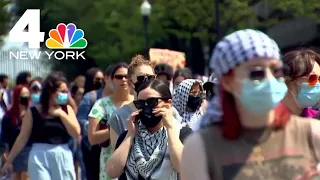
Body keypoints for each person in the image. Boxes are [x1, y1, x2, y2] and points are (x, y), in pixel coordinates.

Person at [181, 29, 320, 180]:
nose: (269, 79)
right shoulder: (200, 149)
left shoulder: (312, 134)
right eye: (257, 73)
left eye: (276, 70)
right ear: (227, 81)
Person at [106, 79, 192, 180]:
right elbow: (112, 171)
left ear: (168, 104)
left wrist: (170, 128)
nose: (146, 107)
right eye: (141, 104)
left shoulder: (182, 133)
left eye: (152, 102)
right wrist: (130, 135)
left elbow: (182, 167)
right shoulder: (129, 136)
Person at [1, 72, 81, 180]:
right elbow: (22, 137)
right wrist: (9, 160)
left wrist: (61, 114)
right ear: (51, 92)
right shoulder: (34, 111)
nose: (66, 94)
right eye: (62, 91)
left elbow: (76, 132)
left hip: (62, 154)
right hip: (39, 155)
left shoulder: (67, 110)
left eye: (67, 91)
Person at [108, 55, 182, 152]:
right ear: (130, 83)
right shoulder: (119, 116)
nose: (146, 81)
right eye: (141, 78)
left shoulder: (169, 110)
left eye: (151, 77)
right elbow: (117, 154)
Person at [88, 63, 133, 180]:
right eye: (119, 77)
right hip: (110, 165)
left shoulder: (139, 102)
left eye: (127, 76)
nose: (124, 79)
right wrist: (116, 128)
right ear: (111, 80)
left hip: (136, 162)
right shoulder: (101, 104)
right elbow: (92, 138)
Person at [77, 64, 115, 180]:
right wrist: (96, 127)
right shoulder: (91, 97)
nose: (122, 81)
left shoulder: (126, 100)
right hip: (94, 149)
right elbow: (80, 120)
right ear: (107, 78)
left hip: (114, 148)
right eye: (117, 77)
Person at [1, 85, 32, 180]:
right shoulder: (9, 116)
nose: (26, 97)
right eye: (23, 94)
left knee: (26, 176)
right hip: (14, 153)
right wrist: (5, 153)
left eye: (27, 94)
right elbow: (4, 136)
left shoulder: (32, 113)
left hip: (29, 152)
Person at [281, 49, 320, 118]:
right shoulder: (265, 119)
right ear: (287, 80)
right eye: (312, 78)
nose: (318, 84)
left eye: (319, 79)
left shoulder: (316, 121)